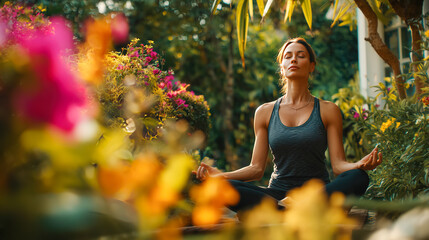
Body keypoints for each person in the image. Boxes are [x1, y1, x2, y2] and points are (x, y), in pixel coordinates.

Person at [195, 37, 382, 212]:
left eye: (301, 56)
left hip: (317, 192)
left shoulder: (327, 110)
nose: (294, 60)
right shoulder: (265, 112)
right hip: (278, 196)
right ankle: (287, 210)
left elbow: (338, 166)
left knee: (358, 177)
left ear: (311, 66)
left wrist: (359, 164)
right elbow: (256, 169)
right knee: (220, 186)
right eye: (288, 56)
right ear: (282, 67)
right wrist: (219, 175)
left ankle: (297, 208)